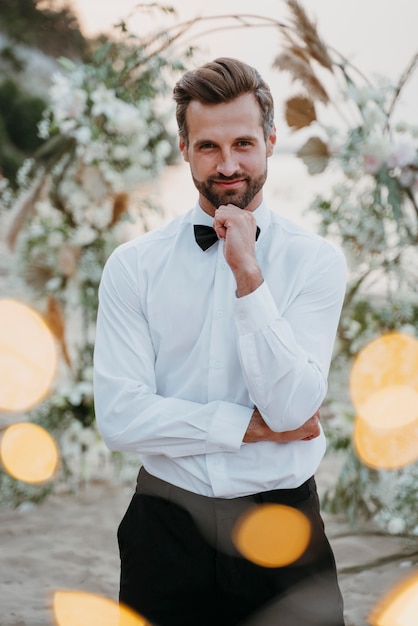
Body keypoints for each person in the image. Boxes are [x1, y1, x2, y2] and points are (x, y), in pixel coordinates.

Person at [93, 57, 347, 626]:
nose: (228, 164)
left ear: (271, 141)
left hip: (283, 526)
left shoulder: (316, 261)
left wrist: (248, 276)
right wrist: (249, 428)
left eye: (243, 143)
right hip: (165, 526)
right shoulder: (134, 266)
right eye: (208, 146)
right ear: (183, 147)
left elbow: (289, 407)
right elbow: (120, 417)